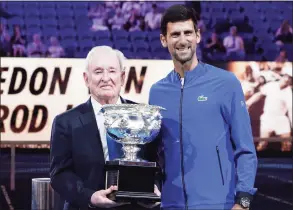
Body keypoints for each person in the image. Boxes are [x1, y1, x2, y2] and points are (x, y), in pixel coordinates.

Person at [148, 5, 258, 210]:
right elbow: (157, 152)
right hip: (171, 204)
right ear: (164, 40)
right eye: (175, 34)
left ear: (198, 36)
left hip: (218, 203)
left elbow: (245, 149)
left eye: (188, 32)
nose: (182, 40)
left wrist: (243, 201)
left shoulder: (226, 83)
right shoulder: (157, 92)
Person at [50, 46, 159, 210]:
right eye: (98, 71)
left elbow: (158, 164)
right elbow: (59, 175)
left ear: (122, 77)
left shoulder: (143, 116)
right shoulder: (65, 122)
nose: (106, 78)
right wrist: (90, 197)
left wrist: (155, 189)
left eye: (112, 71)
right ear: (86, 79)